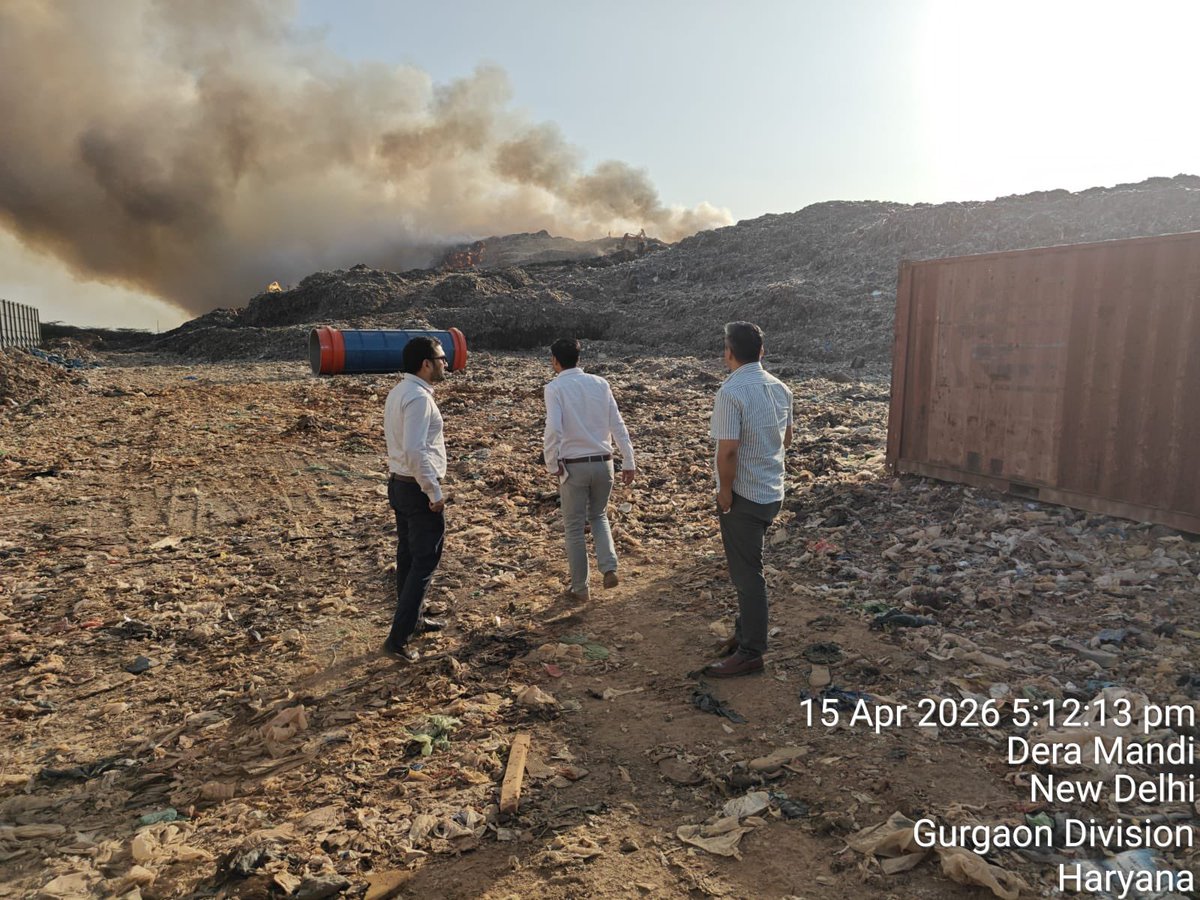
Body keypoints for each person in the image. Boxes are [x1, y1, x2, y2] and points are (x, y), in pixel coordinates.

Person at [702, 322, 793, 677]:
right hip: (773, 492)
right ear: (762, 352)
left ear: (728, 352)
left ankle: (752, 651)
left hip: (745, 495)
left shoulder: (731, 391)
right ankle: (744, 635)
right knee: (750, 565)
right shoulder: (780, 388)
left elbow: (727, 452)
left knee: (748, 576)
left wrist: (725, 493)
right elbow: (786, 440)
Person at [543, 338, 636, 601]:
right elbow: (617, 423)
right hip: (604, 462)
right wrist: (628, 460)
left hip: (574, 466)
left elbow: (554, 430)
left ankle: (580, 588)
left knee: (573, 527)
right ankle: (609, 567)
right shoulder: (600, 383)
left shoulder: (554, 388)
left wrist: (552, 462)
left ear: (555, 361)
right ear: (579, 358)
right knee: (599, 515)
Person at [382, 336, 450, 661]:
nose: (445, 362)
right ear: (426, 363)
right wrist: (433, 492)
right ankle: (399, 638)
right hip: (416, 487)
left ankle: (415, 620)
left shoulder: (399, 392)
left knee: (408, 557)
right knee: (425, 560)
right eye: (441, 357)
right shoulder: (419, 398)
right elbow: (414, 450)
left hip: (399, 484)